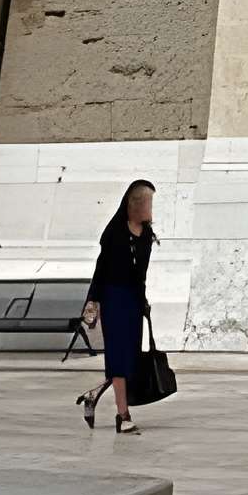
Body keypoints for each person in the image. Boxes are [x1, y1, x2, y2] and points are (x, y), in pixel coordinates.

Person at [78, 179, 158, 436]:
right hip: (113, 299)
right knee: (119, 357)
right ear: (135, 204)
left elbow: (141, 274)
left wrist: (143, 301)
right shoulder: (114, 233)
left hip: (133, 301)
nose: (150, 207)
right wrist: (93, 302)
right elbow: (101, 270)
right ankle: (123, 415)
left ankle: (93, 396)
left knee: (128, 360)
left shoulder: (146, 235)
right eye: (147, 202)